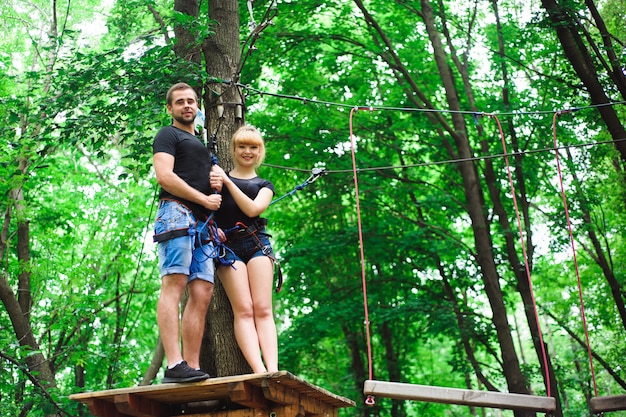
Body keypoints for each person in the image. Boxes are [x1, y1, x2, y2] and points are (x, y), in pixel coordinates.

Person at [152, 83, 223, 383]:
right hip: (176, 214)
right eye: (180, 102)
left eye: (191, 101)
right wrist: (204, 199)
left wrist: (212, 211)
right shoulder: (168, 135)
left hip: (203, 224)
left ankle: (190, 367)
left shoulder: (203, 146)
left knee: (202, 292)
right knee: (174, 284)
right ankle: (173, 363)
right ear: (170, 108)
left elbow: (206, 188)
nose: (187, 106)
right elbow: (165, 176)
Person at [212, 125, 279, 374]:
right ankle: (259, 370)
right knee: (244, 310)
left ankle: (273, 369)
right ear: (234, 149)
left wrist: (228, 181)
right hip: (227, 248)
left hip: (257, 244)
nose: (247, 151)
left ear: (260, 152)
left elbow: (253, 210)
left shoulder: (265, 184)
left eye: (253, 147)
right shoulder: (216, 180)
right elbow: (207, 211)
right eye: (242, 146)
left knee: (262, 309)